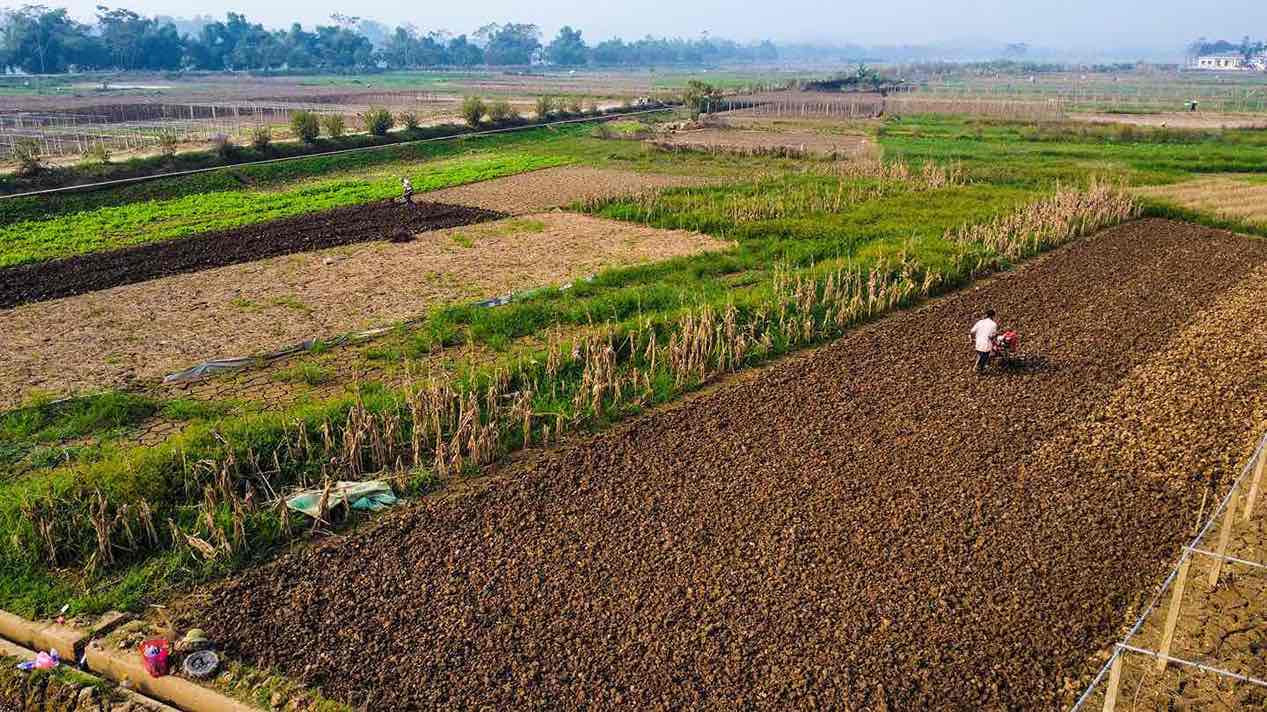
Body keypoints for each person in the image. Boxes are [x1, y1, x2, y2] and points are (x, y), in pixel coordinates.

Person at [970, 309, 999, 374]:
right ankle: (980, 369)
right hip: (986, 345)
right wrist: (996, 336)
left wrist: (972, 339)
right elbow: (991, 336)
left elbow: (971, 332)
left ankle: (978, 367)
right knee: (985, 356)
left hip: (978, 344)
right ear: (993, 316)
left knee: (980, 355)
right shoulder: (993, 324)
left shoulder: (980, 322)